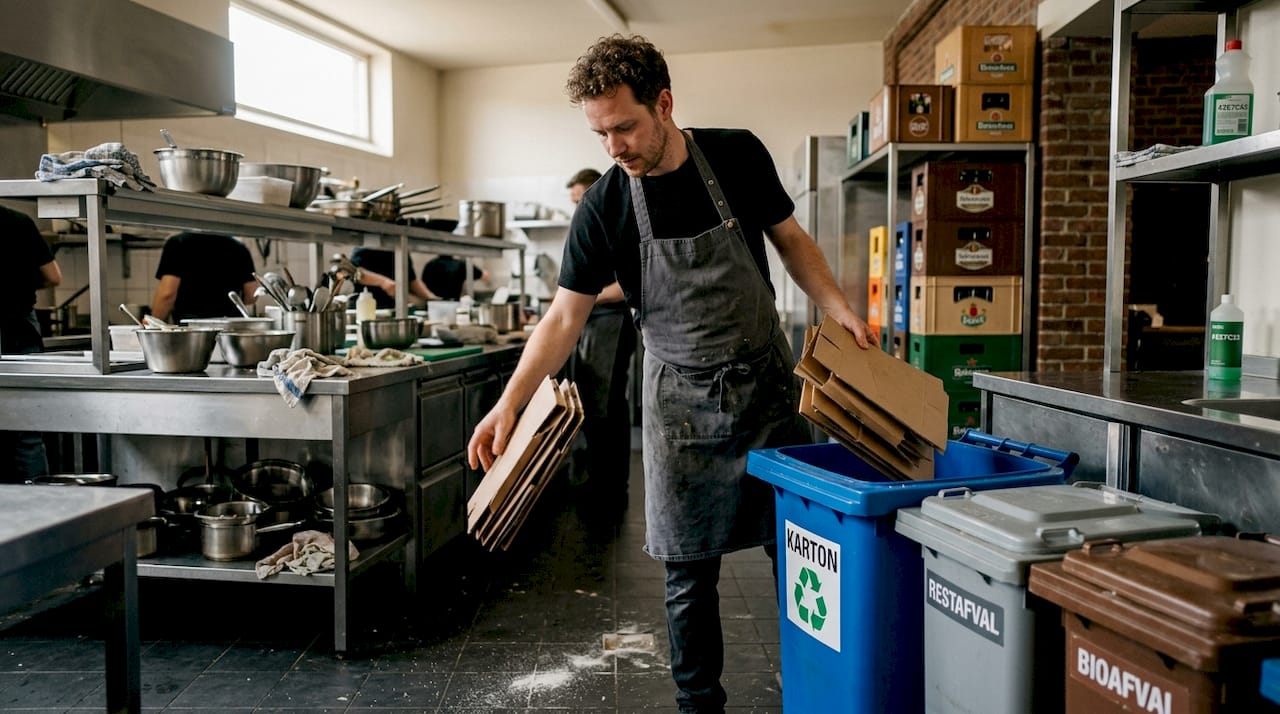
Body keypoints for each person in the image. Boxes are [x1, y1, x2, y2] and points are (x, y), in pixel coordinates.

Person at [467, 35, 876, 712]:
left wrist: (839, 312)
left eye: (624, 127)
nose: (615, 148)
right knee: (688, 575)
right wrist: (510, 403)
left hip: (768, 391)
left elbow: (792, 242)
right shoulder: (606, 205)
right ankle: (698, 706)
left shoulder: (737, 154)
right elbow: (563, 319)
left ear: (664, 104)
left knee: (801, 550)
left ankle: (820, 686)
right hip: (680, 406)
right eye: (600, 134)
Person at [565, 167, 636, 511]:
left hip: (612, 323)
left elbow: (629, 284)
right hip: (595, 324)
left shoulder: (614, 225)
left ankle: (610, 486)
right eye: (574, 202)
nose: (578, 207)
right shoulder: (592, 226)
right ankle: (603, 481)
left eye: (581, 199)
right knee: (596, 405)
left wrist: (585, 299)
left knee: (606, 407)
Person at [0, 204, 62, 481]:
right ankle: (38, 506)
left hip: (17, 328)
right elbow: (53, 276)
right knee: (26, 428)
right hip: (18, 327)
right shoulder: (18, 221)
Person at [150, 232, 257, 322]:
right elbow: (252, 296)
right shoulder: (239, 247)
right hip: (229, 329)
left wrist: (154, 327)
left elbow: (167, 295)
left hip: (193, 331)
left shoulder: (178, 243)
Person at [349, 246, 434, 310]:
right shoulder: (369, 241)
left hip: (391, 308)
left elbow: (412, 280)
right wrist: (383, 282)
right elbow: (353, 270)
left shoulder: (401, 245)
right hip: (365, 306)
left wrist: (433, 299)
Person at [421, 254, 489, 300]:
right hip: (453, 305)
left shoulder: (430, 265)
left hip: (432, 305)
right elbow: (484, 276)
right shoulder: (460, 264)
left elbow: (422, 285)